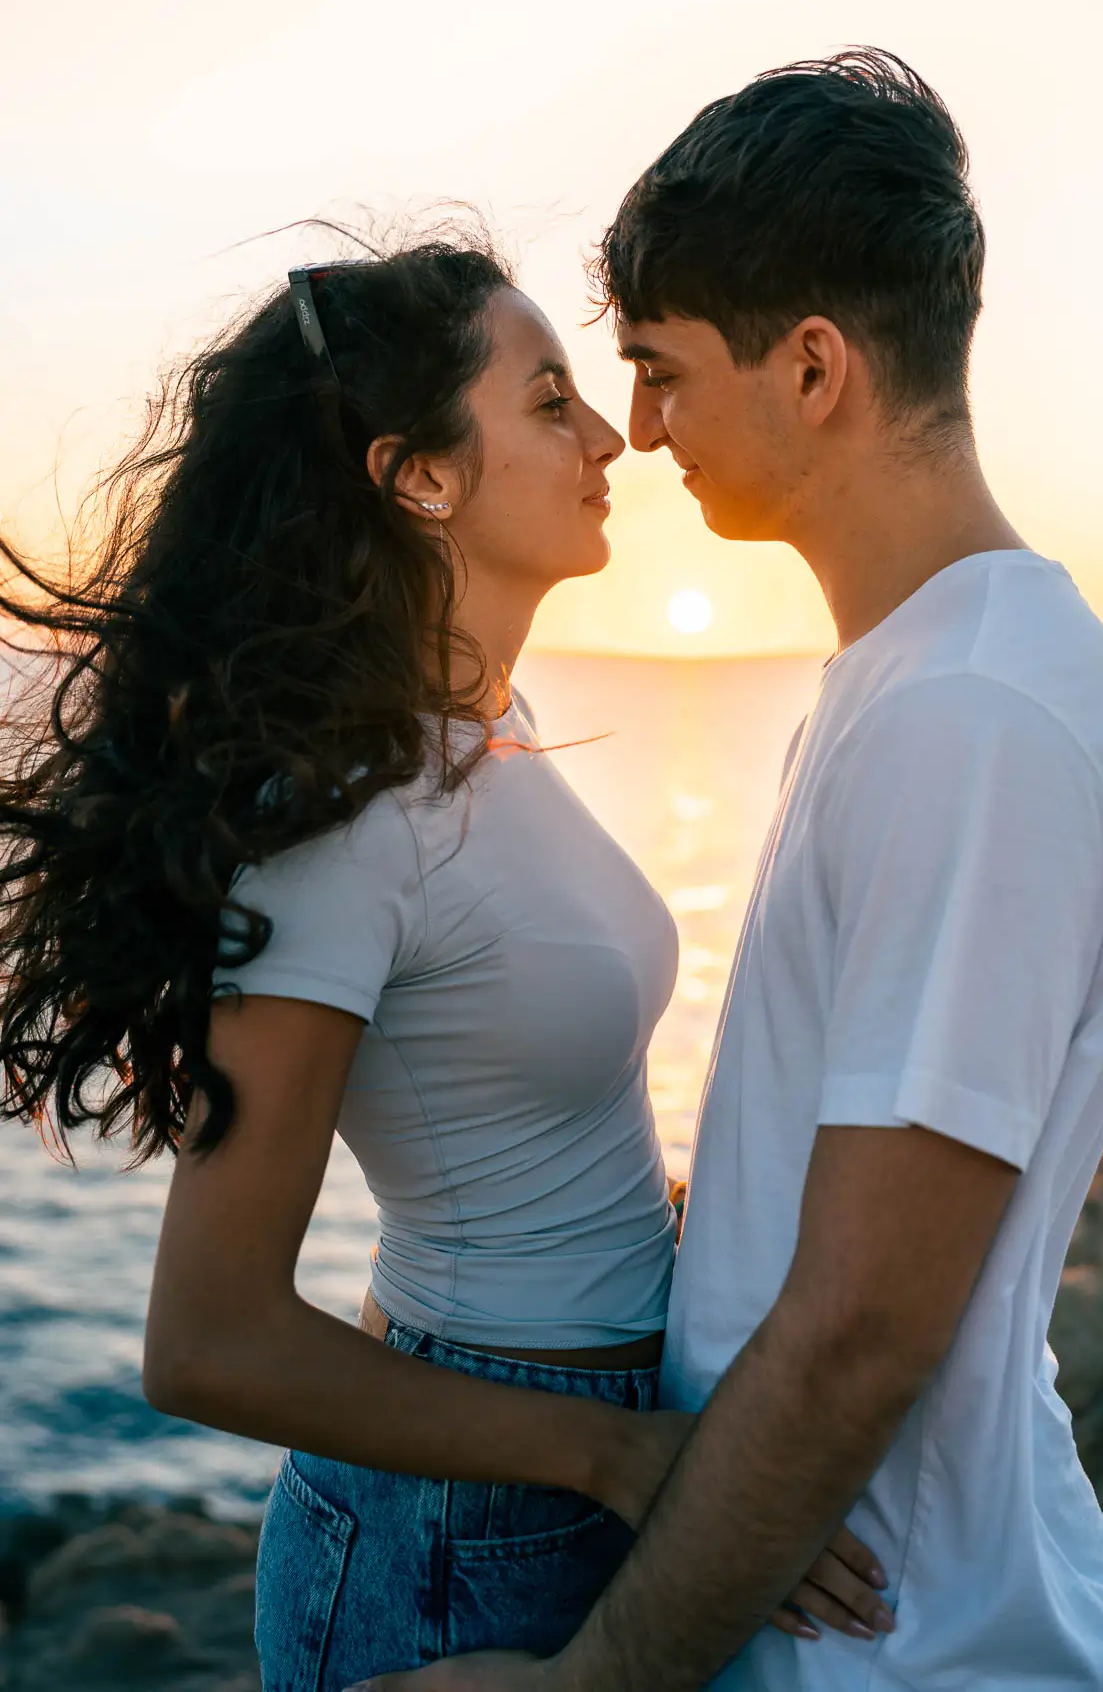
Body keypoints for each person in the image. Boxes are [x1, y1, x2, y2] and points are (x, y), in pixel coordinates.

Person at [358, 51, 1103, 1692]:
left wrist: (591, 1686)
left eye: (661, 372)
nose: (638, 430)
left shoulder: (974, 715)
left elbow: (870, 1322)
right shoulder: (918, 674)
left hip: (899, 1644)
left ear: (813, 368)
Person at [0, 230, 885, 1692]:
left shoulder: (494, 727)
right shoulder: (341, 821)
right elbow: (204, 1339)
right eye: (549, 401)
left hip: (560, 1459)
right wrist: (615, 1452)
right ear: (421, 476)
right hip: (465, 1522)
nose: (613, 434)